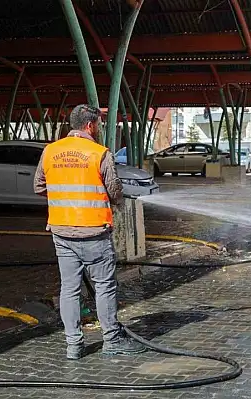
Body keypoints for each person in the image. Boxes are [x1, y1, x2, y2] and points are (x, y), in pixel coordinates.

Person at [34, 104, 146, 360]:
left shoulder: (50, 151)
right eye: (98, 125)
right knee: (105, 286)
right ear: (90, 126)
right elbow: (115, 192)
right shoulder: (99, 153)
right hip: (94, 232)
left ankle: (74, 346)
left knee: (70, 289)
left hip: (62, 233)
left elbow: (38, 186)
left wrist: (66, 196)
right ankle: (111, 340)